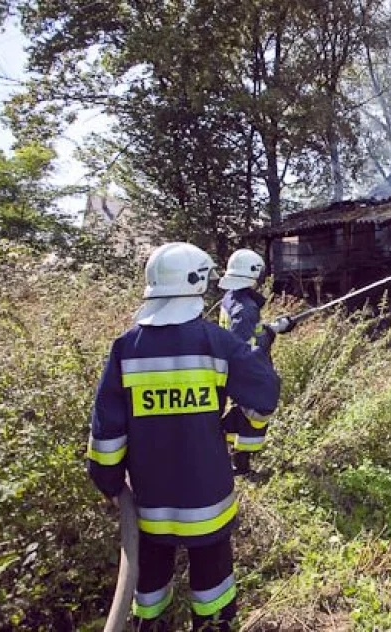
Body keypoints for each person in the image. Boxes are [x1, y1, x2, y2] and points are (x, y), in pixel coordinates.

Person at [86, 242, 281, 631]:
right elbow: (266, 394)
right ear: (196, 284)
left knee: (151, 577)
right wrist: (237, 424)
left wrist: (108, 483)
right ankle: (212, 624)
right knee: (213, 577)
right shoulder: (216, 343)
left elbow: (107, 430)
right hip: (208, 498)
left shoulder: (126, 348)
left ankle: (151, 624)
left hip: (148, 503)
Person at [217, 249, 295, 476]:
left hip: (231, 365)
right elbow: (246, 346)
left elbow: (247, 333)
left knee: (244, 409)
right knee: (260, 407)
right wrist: (272, 332)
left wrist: (272, 327)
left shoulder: (232, 298)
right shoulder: (245, 308)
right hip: (243, 369)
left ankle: (239, 461)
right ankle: (236, 458)